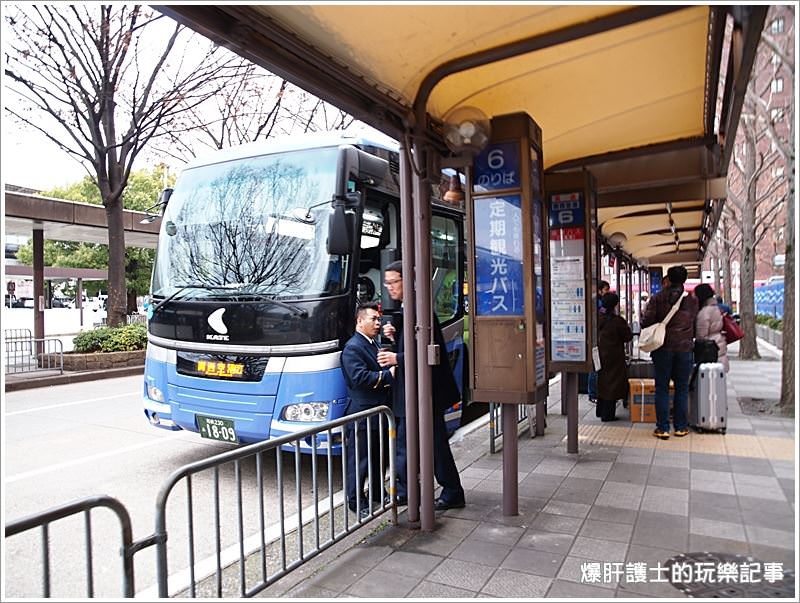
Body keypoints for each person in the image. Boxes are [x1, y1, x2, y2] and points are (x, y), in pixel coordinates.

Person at [377, 260, 465, 511]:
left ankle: (446, 491)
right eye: (387, 283)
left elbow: (427, 351)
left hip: (423, 393)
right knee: (416, 441)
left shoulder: (419, 310)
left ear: (408, 281)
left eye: (393, 282)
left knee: (430, 443)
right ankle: (413, 490)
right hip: (416, 392)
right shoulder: (411, 308)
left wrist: (397, 358)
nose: (389, 288)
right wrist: (397, 337)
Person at [340, 302, 395, 518]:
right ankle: (355, 500)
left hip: (377, 411)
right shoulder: (353, 347)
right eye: (373, 319)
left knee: (378, 457)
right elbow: (359, 378)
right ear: (359, 321)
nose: (378, 323)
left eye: (379, 319)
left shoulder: (371, 344)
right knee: (359, 460)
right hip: (362, 414)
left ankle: (376, 491)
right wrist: (389, 375)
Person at [640, 265, 699, 439]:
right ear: (684, 279)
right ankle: (680, 427)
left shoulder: (658, 298)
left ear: (668, 279)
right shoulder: (692, 301)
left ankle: (663, 428)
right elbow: (694, 324)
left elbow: (646, 322)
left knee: (662, 388)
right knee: (682, 388)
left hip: (662, 347)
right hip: (684, 348)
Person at [595, 293, 632, 421]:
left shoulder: (597, 318)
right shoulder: (617, 321)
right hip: (614, 356)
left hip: (599, 354)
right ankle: (607, 414)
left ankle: (600, 410)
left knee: (602, 381)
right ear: (615, 305)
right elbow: (628, 337)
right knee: (612, 384)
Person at [695, 284, 729, 372]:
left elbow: (701, 335)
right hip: (719, 343)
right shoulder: (716, 308)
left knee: (709, 380)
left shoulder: (704, 312)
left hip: (710, 348)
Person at [587, 279, 611, 403]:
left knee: (597, 365)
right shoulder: (598, 302)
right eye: (606, 290)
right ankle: (593, 393)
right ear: (600, 290)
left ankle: (595, 392)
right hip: (595, 337)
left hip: (597, 336)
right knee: (595, 365)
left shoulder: (599, 301)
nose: (607, 292)